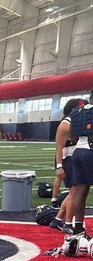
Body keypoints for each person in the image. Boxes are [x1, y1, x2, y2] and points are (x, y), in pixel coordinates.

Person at [49, 97, 87, 230]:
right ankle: (68, 223)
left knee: (74, 193)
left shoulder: (75, 121)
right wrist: (59, 167)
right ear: (74, 109)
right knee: (75, 193)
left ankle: (58, 219)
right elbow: (59, 147)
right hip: (67, 160)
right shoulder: (65, 124)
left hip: (73, 158)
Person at [65, 90, 93, 242]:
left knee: (80, 192)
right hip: (91, 152)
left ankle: (78, 231)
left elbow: (73, 138)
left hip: (77, 153)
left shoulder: (76, 113)